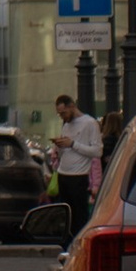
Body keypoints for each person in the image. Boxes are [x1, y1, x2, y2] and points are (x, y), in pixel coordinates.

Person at [51, 94, 102, 234]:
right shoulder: (66, 125)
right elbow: (65, 150)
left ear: (72, 107)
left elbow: (97, 151)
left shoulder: (90, 123)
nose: (62, 116)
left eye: (64, 113)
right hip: (63, 174)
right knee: (66, 215)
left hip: (78, 176)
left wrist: (72, 144)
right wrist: (60, 147)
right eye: (59, 114)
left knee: (79, 215)